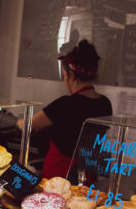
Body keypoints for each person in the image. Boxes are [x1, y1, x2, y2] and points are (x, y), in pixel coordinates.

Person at [17, 39, 112, 180]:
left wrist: (19, 120)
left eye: (64, 76)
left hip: (59, 175)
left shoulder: (66, 104)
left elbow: (26, 125)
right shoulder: (105, 103)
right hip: (87, 173)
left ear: (72, 76)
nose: (64, 81)